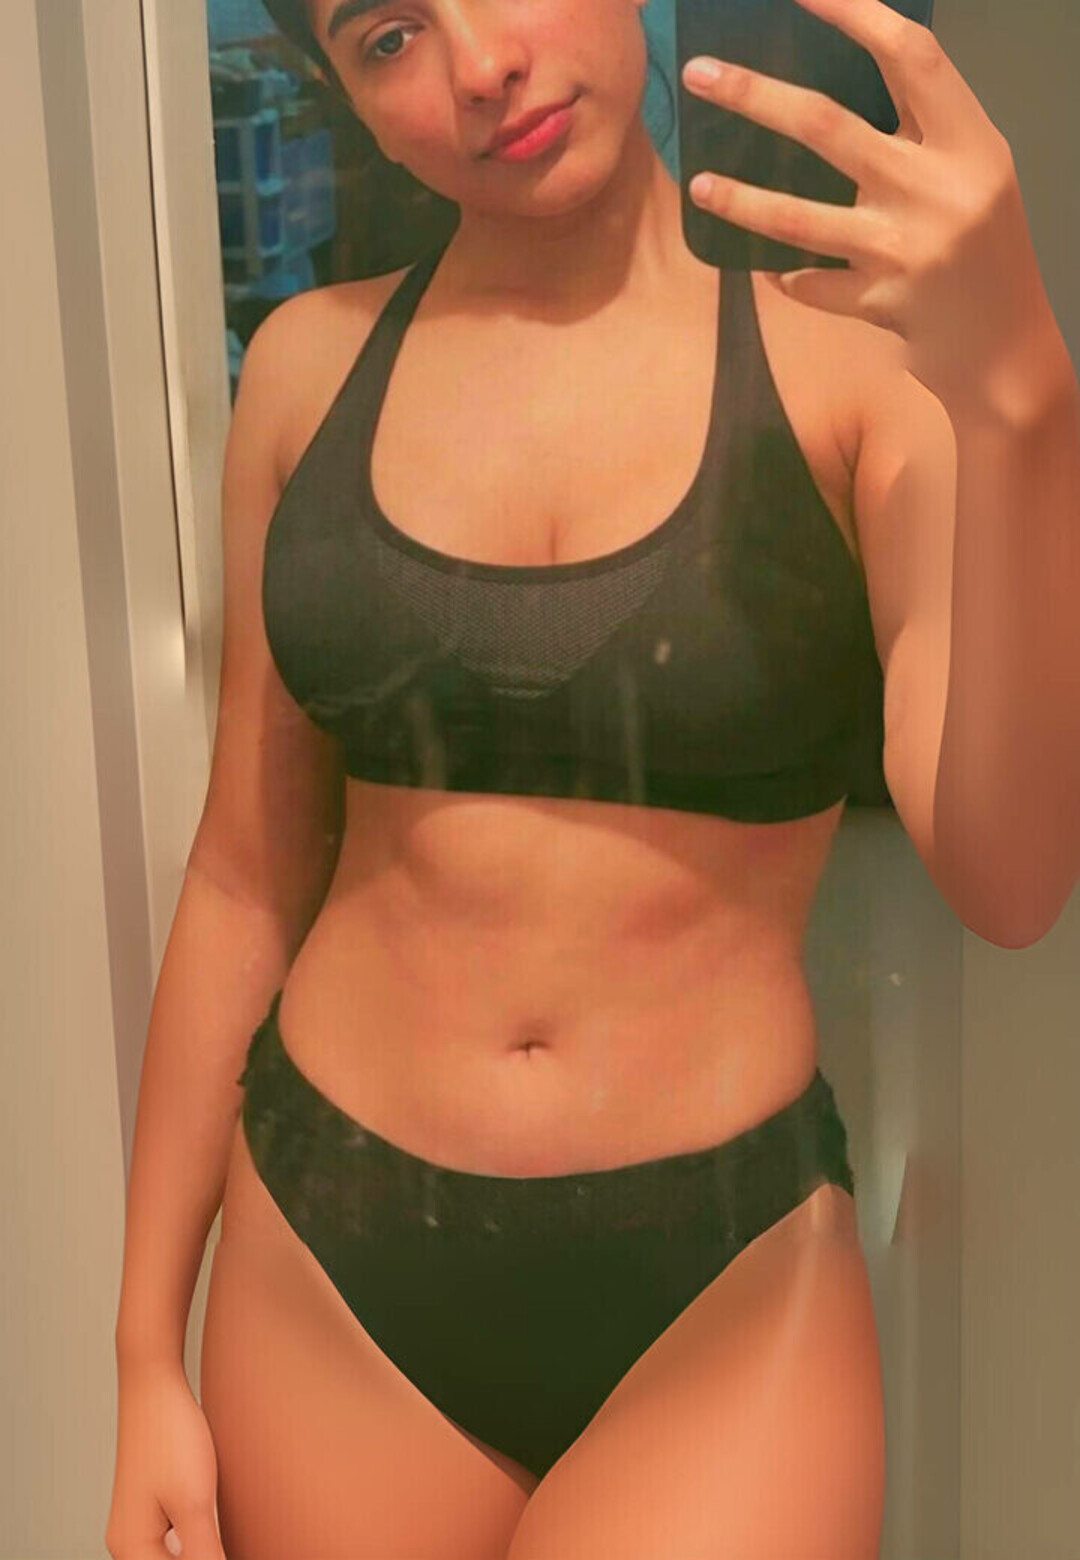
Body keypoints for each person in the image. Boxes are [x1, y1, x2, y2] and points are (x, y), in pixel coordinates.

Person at [107, 1, 1080, 1557]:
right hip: (326, 1264)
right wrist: (143, 1355)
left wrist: (1026, 398)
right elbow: (243, 873)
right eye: (387, 37)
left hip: (719, 1280)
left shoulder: (856, 374)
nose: (480, 67)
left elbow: (1012, 883)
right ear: (345, 96)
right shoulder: (303, 370)